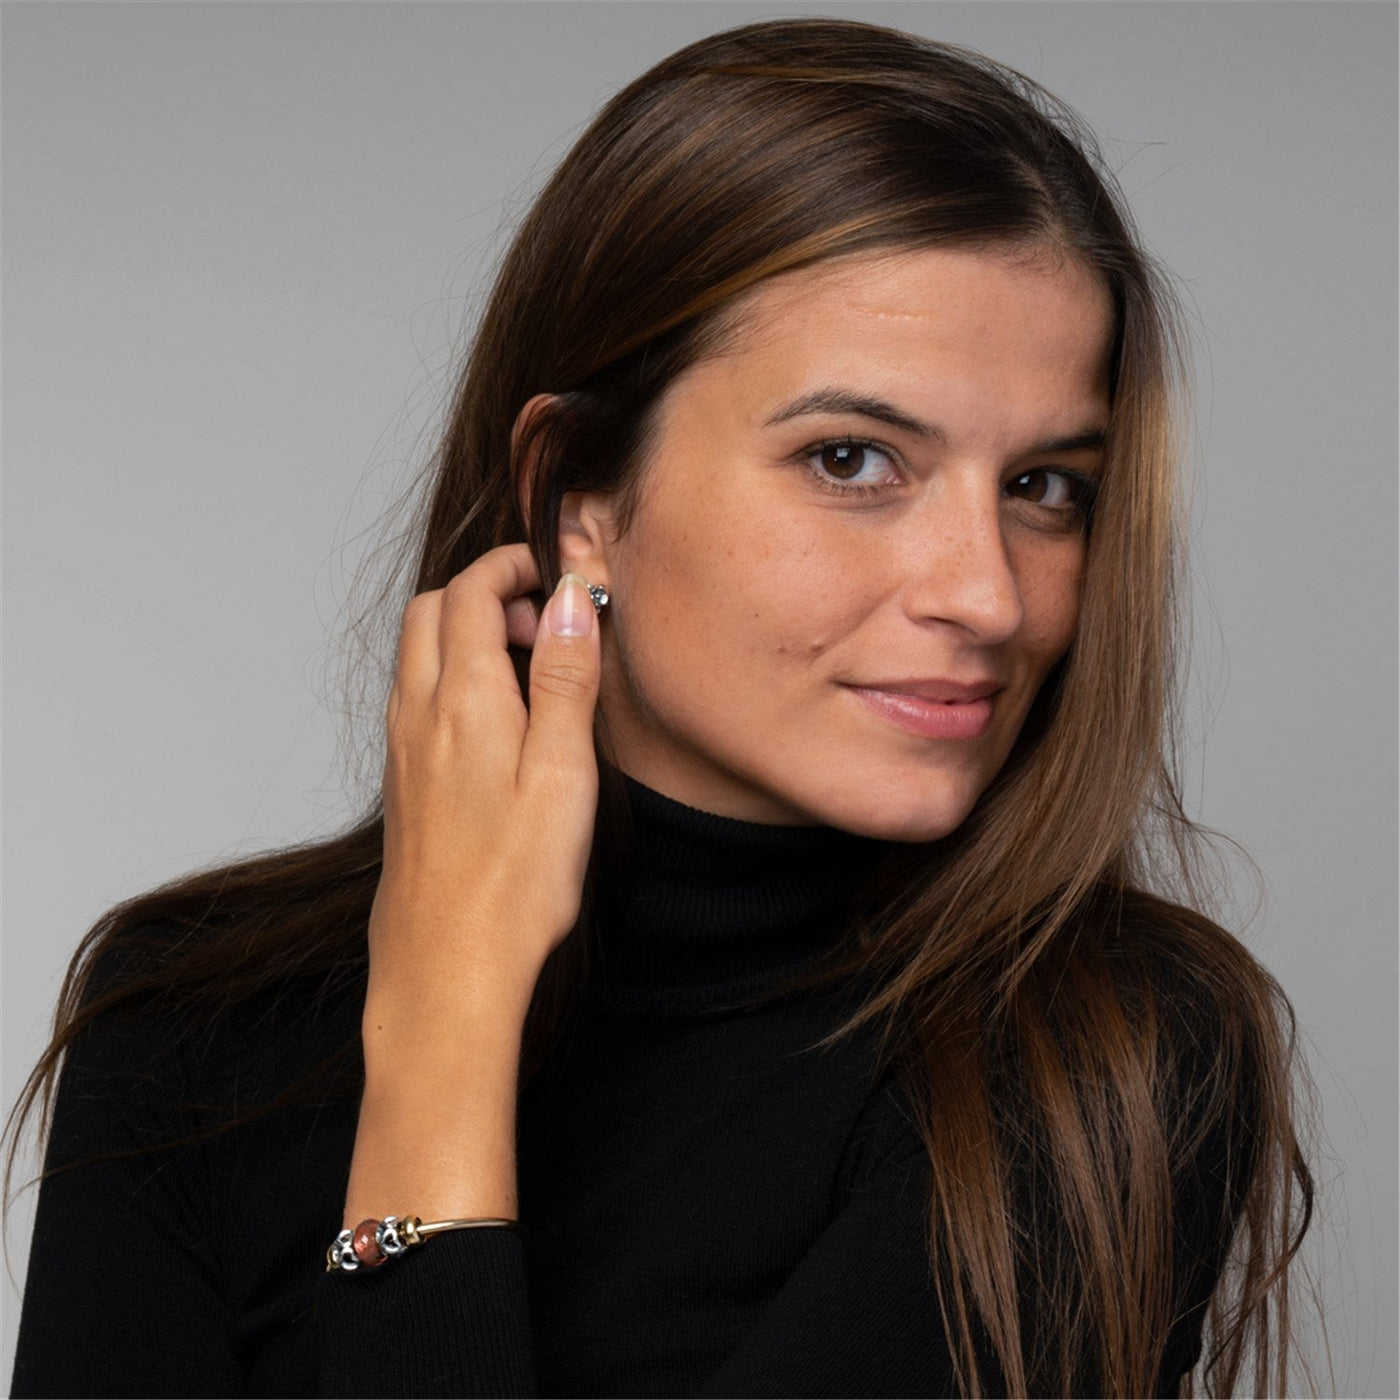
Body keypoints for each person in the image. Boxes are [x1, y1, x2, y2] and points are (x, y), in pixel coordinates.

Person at [6, 17, 1313, 1398]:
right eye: (853, 459)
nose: (989, 595)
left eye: (1046, 487)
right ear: (581, 497)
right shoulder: (191, 1019)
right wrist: (447, 1000)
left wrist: (440, 1064)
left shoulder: (1102, 1061)